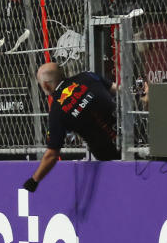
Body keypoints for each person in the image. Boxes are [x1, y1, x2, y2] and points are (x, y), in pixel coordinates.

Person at [22, 63, 119, 191]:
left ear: (45, 85)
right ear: (63, 74)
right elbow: (117, 89)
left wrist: (34, 180)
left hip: (109, 155)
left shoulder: (57, 111)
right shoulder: (88, 76)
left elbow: (52, 154)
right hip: (132, 136)